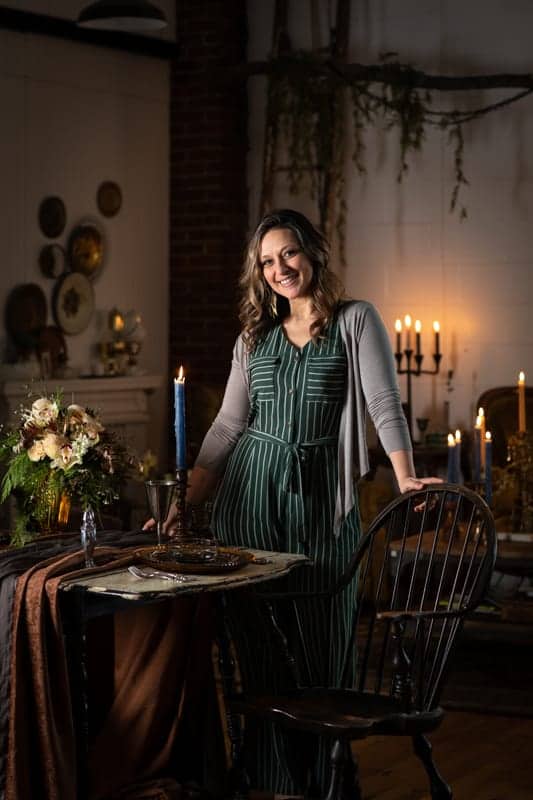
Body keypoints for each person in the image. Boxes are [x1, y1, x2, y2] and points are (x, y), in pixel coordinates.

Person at [150, 208, 440, 795]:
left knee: (323, 638)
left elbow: (384, 403)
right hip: (248, 499)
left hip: (318, 501)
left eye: (288, 253)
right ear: (258, 274)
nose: (279, 268)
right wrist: (187, 502)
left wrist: (406, 478)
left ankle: (327, 782)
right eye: (266, 261)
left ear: (312, 252)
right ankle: (274, 782)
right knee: (260, 649)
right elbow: (227, 429)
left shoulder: (356, 320)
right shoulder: (253, 337)